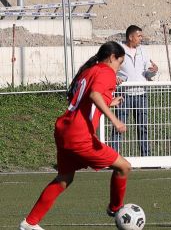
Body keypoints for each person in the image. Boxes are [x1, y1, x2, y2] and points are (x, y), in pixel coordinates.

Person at [19, 41, 131, 230]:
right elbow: (95, 95)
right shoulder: (106, 72)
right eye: (119, 63)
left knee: (64, 179)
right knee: (124, 167)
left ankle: (29, 223)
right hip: (80, 135)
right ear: (112, 58)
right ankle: (115, 208)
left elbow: (82, 99)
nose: (118, 68)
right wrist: (114, 119)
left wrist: (110, 102)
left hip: (64, 129)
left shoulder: (88, 71)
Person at [111, 25, 158, 156]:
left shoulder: (143, 50)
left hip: (141, 94)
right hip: (123, 95)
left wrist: (153, 71)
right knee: (118, 126)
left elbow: (147, 73)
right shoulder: (117, 50)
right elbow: (108, 68)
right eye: (139, 36)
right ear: (131, 37)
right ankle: (113, 156)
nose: (141, 38)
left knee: (143, 127)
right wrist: (114, 77)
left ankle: (146, 157)